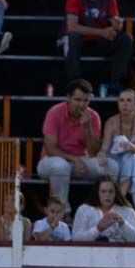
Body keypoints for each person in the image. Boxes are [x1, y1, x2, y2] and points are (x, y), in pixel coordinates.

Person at [36, 79, 115, 213]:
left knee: (112, 166)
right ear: (68, 98)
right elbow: (50, 149)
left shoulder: (93, 116)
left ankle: (107, 211)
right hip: (52, 160)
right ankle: (63, 213)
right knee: (60, 166)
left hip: (79, 162)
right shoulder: (54, 112)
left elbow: (93, 152)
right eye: (78, 100)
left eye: (86, 101)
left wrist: (87, 129)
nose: (82, 105)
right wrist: (74, 159)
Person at [63, 0, 134, 95]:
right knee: (73, 36)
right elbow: (72, 26)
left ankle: (116, 83)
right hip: (81, 43)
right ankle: (74, 84)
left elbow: (115, 20)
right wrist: (102, 32)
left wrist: (117, 24)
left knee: (126, 39)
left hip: (100, 43)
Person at [99, 89, 135, 225]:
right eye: (122, 100)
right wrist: (101, 153)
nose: (125, 104)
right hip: (116, 159)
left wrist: (131, 147)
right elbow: (105, 147)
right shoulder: (111, 122)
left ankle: (116, 203)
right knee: (134, 168)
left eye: (129, 100)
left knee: (134, 162)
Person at [71, 176, 135, 242]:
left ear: (116, 193)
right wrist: (98, 229)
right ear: (97, 193)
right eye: (103, 191)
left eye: (111, 191)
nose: (107, 195)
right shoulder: (84, 210)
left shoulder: (128, 211)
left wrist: (123, 223)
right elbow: (75, 238)